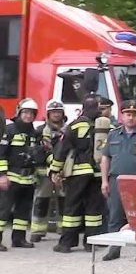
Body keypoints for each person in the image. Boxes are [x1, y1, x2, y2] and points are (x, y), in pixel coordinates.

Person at [49, 95, 106, 253]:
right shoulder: (104, 126)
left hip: (78, 172)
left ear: (83, 109)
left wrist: (55, 169)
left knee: (72, 208)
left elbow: (63, 150)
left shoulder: (74, 126)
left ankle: (66, 243)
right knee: (93, 209)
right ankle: (91, 243)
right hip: (97, 174)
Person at [100, 99, 136, 262]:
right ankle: (114, 249)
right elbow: (105, 158)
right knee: (114, 216)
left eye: (135, 115)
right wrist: (104, 181)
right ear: (122, 116)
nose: (131, 118)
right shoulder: (113, 134)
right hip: (117, 180)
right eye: (128, 114)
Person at [0, 98, 47, 250]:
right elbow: (1, 154)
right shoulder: (10, 130)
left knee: (23, 210)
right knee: (3, 210)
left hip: (28, 179)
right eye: (25, 112)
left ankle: (19, 239)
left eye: (31, 113)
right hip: (11, 177)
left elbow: (39, 155)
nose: (28, 116)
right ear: (19, 113)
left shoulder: (34, 133)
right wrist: (2, 175)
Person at [30, 99, 68, 242]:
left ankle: (63, 229)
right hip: (44, 173)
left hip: (62, 172)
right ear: (48, 114)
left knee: (64, 200)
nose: (56, 115)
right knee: (41, 200)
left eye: (58, 112)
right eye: (53, 112)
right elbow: (36, 151)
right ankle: (38, 231)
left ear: (63, 113)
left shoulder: (69, 130)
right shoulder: (40, 131)